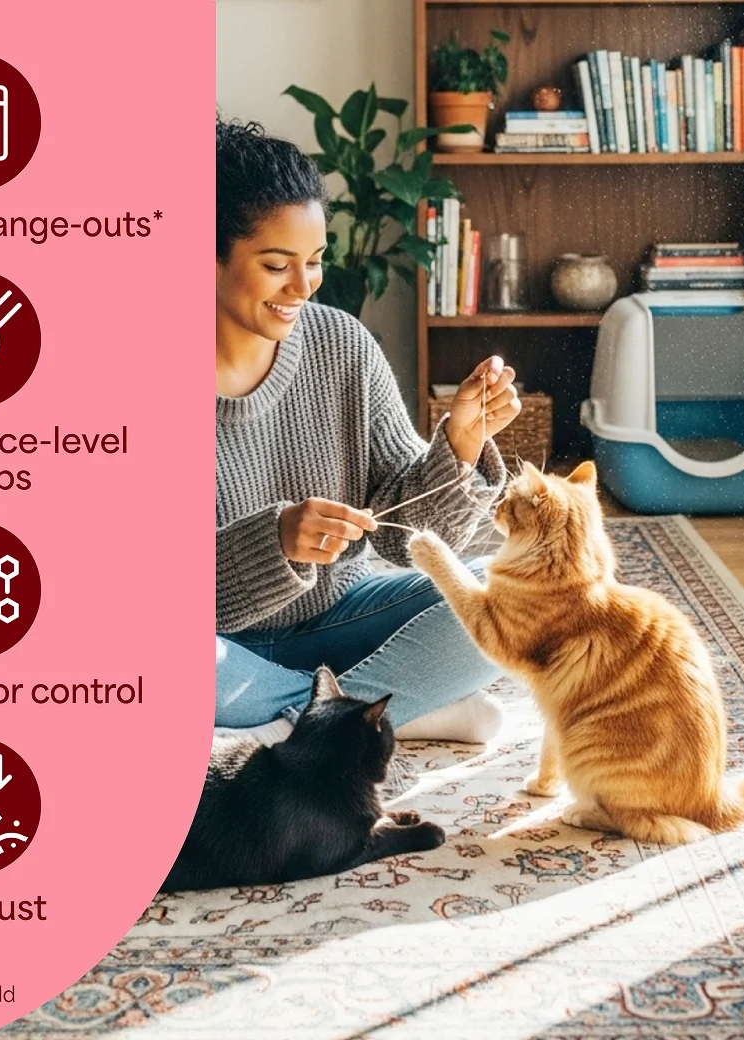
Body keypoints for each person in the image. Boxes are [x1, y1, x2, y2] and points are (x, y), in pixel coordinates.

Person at [215, 119, 522, 744]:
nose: (303, 288)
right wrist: (273, 540)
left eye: (315, 262)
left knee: (520, 595)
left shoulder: (340, 343)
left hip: (343, 619)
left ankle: (299, 726)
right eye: (277, 265)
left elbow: (406, 539)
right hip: (219, 651)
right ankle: (398, 710)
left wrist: (459, 446)